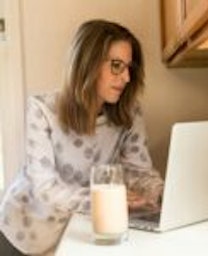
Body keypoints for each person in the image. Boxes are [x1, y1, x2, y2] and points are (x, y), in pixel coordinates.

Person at [0, 19, 163, 255]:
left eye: (129, 67)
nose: (127, 77)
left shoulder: (130, 113)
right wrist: (109, 200)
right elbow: (45, 188)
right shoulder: (41, 109)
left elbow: (138, 171)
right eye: (117, 65)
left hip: (75, 233)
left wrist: (162, 194)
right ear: (87, 64)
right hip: (21, 232)